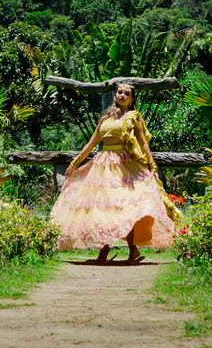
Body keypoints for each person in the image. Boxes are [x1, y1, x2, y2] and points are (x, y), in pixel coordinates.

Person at [50, 83, 179, 262]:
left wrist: (153, 167)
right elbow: (92, 143)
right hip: (103, 167)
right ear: (115, 95)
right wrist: (75, 162)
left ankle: (132, 251)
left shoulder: (134, 118)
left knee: (128, 208)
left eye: (127, 94)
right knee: (105, 209)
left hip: (125, 167)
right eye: (120, 92)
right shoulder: (105, 118)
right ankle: (104, 252)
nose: (123, 95)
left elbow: (143, 143)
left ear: (132, 99)